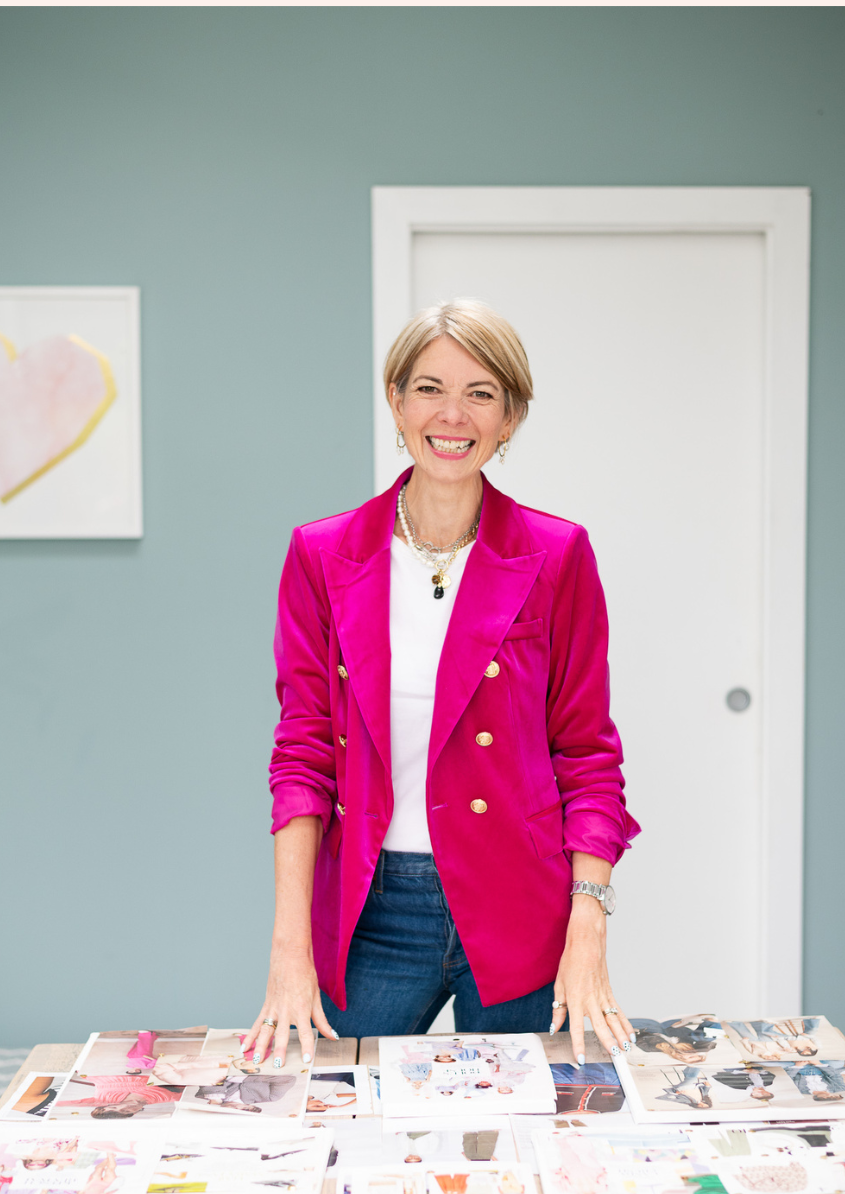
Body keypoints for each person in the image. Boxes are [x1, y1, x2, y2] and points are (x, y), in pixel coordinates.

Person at [254, 300, 640, 1068]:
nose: (452, 415)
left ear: (511, 418)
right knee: (340, 1128)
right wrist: (288, 951)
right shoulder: (322, 556)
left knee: (528, 1142)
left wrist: (586, 926)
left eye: (481, 393)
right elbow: (301, 758)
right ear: (395, 402)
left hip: (520, 910)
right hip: (372, 911)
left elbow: (588, 758)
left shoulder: (557, 556)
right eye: (428, 388)